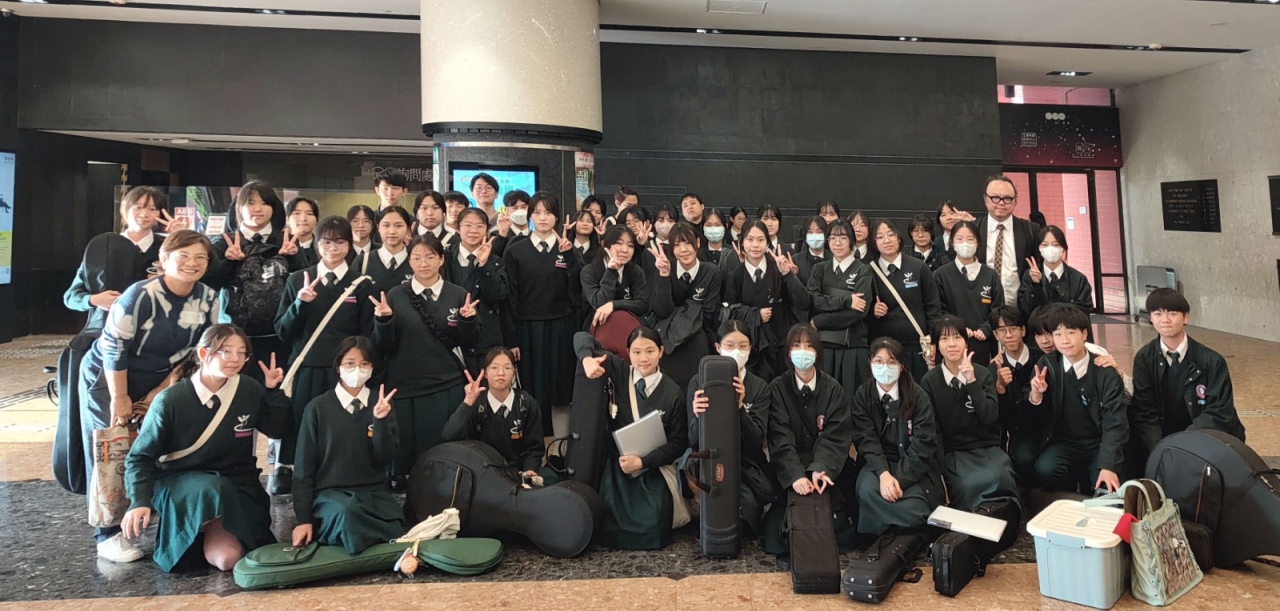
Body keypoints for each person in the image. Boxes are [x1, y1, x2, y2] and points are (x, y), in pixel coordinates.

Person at [80, 230, 219, 562]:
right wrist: (121, 397)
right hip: (111, 375)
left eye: (200, 257)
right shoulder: (139, 296)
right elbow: (114, 348)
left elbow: (198, 351)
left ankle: (144, 509)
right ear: (164, 259)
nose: (192, 263)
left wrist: (161, 390)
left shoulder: (209, 298)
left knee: (156, 441)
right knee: (114, 447)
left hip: (163, 376)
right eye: (183, 256)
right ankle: (107, 534)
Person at [120, 324, 291, 571]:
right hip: (183, 482)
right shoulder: (170, 400)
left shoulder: (249, 389)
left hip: (237, 482)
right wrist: (139, 500)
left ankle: (206, 528)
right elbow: (139, 457)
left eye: (241, 353)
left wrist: (273, 391)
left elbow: (277, 430)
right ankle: (192, 527)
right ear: (203, 354)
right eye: (226, 351)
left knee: (227, 558)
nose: (235, 359)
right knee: (210, 487)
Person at [59, 186, 172, 495]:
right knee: (103, 423)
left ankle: (149, 487)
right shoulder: (102, 247)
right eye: (139, 207)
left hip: (153, 344)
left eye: (153, 209)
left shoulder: (167, 248)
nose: (145, 214)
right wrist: (93, 299)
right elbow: (72, 295)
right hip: (101, 340)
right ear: (126, 209)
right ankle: (105, 491)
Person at [273, 216, 374, 494]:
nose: (333, 248)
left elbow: (366, 333)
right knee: (299, 422)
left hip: (345, 371)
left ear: (350, 245)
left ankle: (339, 472)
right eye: (326, 242)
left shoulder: (361, 283)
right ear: (317, 244)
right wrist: (300, 303)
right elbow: (282, 331)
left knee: (342, 423)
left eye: (340, 242)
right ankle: (292, 470)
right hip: (306, 365)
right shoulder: (298, 279)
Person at [370, 234, 480, 487]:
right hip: (406, 384)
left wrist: (468, 320)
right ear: (409, 261)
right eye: (417, 258)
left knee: (444, 450)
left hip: (447, 382)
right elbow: (383, 346)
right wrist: (383, 320)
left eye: (430, 257)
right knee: (408, 456)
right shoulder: (395, 296)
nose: (423, 263)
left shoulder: (458, 294)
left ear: (441, 259)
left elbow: (470, 342)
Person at [577, 328, 688, 550]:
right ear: (628, 352)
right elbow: (581, 337)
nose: (643, 358)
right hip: (617, 465)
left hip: (652, 466)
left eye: (650, 351)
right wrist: (586, 359)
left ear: (661, 351)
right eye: (636, 352)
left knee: (652, 524)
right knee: (608, 522)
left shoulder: (673, 392)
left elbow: (677, 444)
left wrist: (643, 461)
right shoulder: (619, 373)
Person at [291, 336, 403, 555]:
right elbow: (303, 468)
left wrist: (380, 422)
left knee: (394, 523)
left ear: (372, 368)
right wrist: (303, 519)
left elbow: (386, 457)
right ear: (338, 367)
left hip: (373, 494)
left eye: (364, 364)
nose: (357, 370)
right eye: (350, 363)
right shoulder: (317, 408)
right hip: (331, 495)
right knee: (347, 514)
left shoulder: (382, 403)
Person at [1129, 289, 1245, 469]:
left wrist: (1183, 445)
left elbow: (1219, 412)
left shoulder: (1211, 360)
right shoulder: (1144, 358)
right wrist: (1161, 449)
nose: (1165, 320)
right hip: (1163, 440)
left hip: (1204, 438)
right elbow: (1145, 412)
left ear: (1185, 317)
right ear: (1151, 318)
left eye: (1172, 313)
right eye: (1158, 314)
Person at [765, 324, 854, 548]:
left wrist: (820, 468)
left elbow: (835, 436)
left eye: (809, 346)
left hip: (825, 466)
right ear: (788, 352)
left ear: (817, 352)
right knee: (777, 534)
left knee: (836, 526)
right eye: (796, 346)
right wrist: (795, 476)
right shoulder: (777, 388)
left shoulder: (833, 389)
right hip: (789, 466)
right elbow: (780, 437)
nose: (803, 351)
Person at [503, 193, 583, 440]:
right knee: (531, 389)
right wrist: (512, 340)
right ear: (530, 217)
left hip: (561, 328)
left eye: (548, 212)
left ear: (557, 217)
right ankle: (534, 446)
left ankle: (560, 447)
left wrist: (569, 257)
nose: (543, 218)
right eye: (537, 212)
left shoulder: (568, 249)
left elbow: (577, 294)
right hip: (527, 330)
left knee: (561, 390)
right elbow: (510, 298)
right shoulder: (515, 251)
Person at [1025, 304, 1127, 493]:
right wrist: (1036, 395)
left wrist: (1108, 465)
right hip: (1065, 442)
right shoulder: (1047, 365)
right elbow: (1035, 418)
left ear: (1084, 334)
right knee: (1046, 470)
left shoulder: (1104, 370)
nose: (1064, 340)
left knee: (1105, 488)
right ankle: (1071, 494)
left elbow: (1116, 422)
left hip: (1098, 442)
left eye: (1071, 333)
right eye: (1058, 334)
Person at [685, 320, 774, 539]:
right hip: (709, 456)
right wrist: (698, 415)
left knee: (747, 511)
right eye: (730, 345)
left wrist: (740, 407)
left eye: (743, 346)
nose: (736, 351)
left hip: (744, 460)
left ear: (750, 349)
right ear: (718, 347)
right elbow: (693, 438)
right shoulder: (698, 381)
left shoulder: (760, 387)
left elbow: (756, 440)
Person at [206, 182, 300, 387]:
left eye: (264, 203)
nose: (258, 209)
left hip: (279, 335)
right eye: (250, 203)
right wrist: (229, 262)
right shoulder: (223, 242)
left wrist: (293, 259)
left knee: (278, 390)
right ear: (239, 207)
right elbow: (210, 285)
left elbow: (304, 282)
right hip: (236, 337)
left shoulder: (287, 240)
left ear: (274, 209)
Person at [919, 317, 1016, 512]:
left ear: (966, 342)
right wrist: (939, 471)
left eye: (957, 337)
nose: (952, 344)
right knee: (966, 486)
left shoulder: (982, 373)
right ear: (936, 346)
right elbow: (933, 430)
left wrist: (971, 381)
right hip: (953, 452)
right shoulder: (929, 381)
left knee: (1002, 477)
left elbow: (990, 418)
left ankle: (1005, 520)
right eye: (944, 339)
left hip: (986, 447)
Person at [850, 337, 943, 535]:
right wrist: (884, 475)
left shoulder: (917, 395)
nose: (885, 367)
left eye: (891, 362)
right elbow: (866, 440)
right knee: (867, 491)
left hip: (912, 465)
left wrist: (898, 481)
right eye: (878, 361)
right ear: (870, 363)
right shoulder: (863, 394)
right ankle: (911, 526)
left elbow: (924, 444)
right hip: (878, 465)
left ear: (901, 366)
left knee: (918, 502)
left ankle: (887, 524)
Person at [724, 221, 811, 380]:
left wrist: (788, 275)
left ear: (768, 243)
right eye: (750, 239)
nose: (755, 245)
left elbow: (804, 303)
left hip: (781, 344)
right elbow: (729, 311)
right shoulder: (735, 275)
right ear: (742, 242)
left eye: (760, 240)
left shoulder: (779, 269)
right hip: (752, 347)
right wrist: (755, 314)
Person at [443, 347, 545, 477]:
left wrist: (529, 470)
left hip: (518, 473)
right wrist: (468, 401)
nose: (501, 373)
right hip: (482, 473)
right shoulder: (476, 403)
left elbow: (535, 448)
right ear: (485, 373)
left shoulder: (526, 403)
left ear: (514, 372)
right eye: (494, 368)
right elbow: (450, 435)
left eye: (507, 368)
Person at [868, 219, 943, 382]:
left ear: (899, 237)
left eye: (891, 235)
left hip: (916, 348)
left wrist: (934, 341)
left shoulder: (918, 267)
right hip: (884, 352)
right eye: (880, 237)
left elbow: (933, 308)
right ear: (874, 242)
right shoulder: (868, 271)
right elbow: (861, 313)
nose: (886, 240)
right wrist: (872, 310)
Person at [649, 223, 722, 389]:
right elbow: (662, 311)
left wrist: (680, 313)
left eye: (688, 243)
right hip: (667, 334)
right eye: (677, 245)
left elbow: (708, 314)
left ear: (698, 242)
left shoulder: (711, 272)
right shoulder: (664, 267)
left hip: (699, 333)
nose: (683, 249)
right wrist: (664, 275)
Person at [806, 219, 875, 395]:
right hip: (824, 346)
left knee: (853, 398)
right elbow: (813, 300)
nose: (837, 243)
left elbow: (858, 312)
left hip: (853, 347)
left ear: (851, 240)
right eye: (833, 238)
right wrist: (845, 300)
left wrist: (820, 321)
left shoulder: (863, 270)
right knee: (824, 397)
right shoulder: (819, 269)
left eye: (843, 238)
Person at [444, 208, 511, 375]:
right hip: (452, 336)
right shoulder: (444, 258)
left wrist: (484, 265)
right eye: (467, 225)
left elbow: (498, 295)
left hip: (486, 338)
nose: (473, 230)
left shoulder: (495, 261)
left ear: (487, 230)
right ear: (457, 228)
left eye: (480, 226)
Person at [986, 306, 1044, 483]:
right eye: (1002, 331)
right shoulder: (993, 369)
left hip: (1047, 427)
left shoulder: (1042, 359)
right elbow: (1001, 419)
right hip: (1020, 433)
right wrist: (1000, 388)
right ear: (995, 335)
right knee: (1022, 460)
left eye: (1013, 329)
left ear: (1023, 330)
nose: (1008, 335)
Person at [934, 220, 1004, 366]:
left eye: (970, 239)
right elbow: (938, 309)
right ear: (952, 243)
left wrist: (987, 328)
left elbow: (998, 309)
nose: (965, 243)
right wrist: (958, 329)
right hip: (952, 343)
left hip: (984, 343)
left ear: (978, 243)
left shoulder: (990, 275)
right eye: (959, 239)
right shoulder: (941, 274)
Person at [974, 176, 1041, 310]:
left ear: (1015, 201)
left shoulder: (1031, 230)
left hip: (1020, 309)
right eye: (995, 198)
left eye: (1007, 198)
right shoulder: (974, 229)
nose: (1001, 203)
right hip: (981, 308)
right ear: (985, 199)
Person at [581, 225, 650, 332]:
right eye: (619, 243)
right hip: (598, 329)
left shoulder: (635, 271)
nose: (625, 250)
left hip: (630, 327)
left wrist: (614, 305)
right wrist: (611, 271)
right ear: (604, 245)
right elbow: (599, 303)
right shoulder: (589, 271)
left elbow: (643, 304)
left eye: (630, 245)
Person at [1018, 225, 1093, 323]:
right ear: (1039, 248)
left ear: (1063, 248)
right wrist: (1035, 285)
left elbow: (1084, 309)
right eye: (1045, 245)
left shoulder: (1078, 278)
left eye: (1056, 244)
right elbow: (1026, 308)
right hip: (1040, 331)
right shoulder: (1029, 276)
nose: (1050, 249)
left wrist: (1051, 309)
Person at [364, 206, 414, 297]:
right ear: (378, 228)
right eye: (386, 225)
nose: (392, 231)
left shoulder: (417, 261)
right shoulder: (364, 261)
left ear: (408, 230)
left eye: (398, 226)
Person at [285, 197, 321, 269]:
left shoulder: (323, 248)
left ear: (316, 220)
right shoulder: (277, 246)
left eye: (309, 213)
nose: (303, 219)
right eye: (297, 213)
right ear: (287, 220)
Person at [794, 215, 831, 284]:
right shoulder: (796, 260)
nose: (815, 236)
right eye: (810, 232)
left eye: (819, 232)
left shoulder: (833, 259)